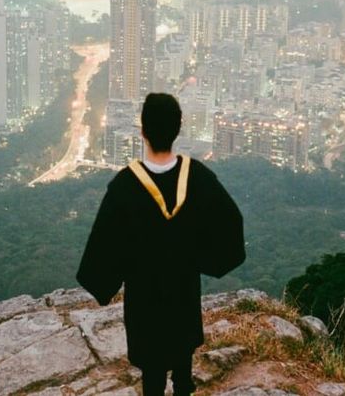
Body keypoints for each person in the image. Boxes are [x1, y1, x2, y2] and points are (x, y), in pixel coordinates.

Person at [77, 93, 246, 396]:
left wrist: (106, 281)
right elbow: (230, 223)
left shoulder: (125, 186)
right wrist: (202, 260)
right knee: (183, 363)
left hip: (144, 301)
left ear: (142, 131)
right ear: (178, 130)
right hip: (183, 292)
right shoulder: (198, 177)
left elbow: (105, 245)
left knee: (152, 375)